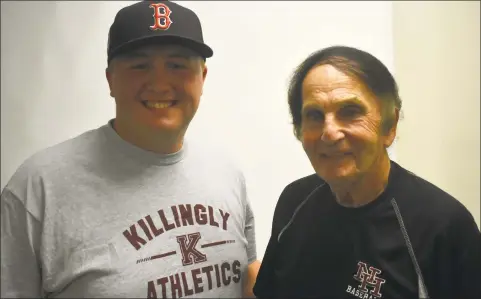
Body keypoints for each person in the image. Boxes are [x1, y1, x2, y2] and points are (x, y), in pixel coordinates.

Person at [1, 1, 260, 298]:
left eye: (177, 65)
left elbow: (247, 280)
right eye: (140, 65)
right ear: (110, 78)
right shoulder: (38, 189)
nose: (160, 84)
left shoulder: (227, 174)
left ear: (202, 78)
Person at [253, 45, 481, 299]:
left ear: (390, 125)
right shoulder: (294, 202)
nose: (329, 132)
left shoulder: (443, 226)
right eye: (315, 115)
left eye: (350, 112)